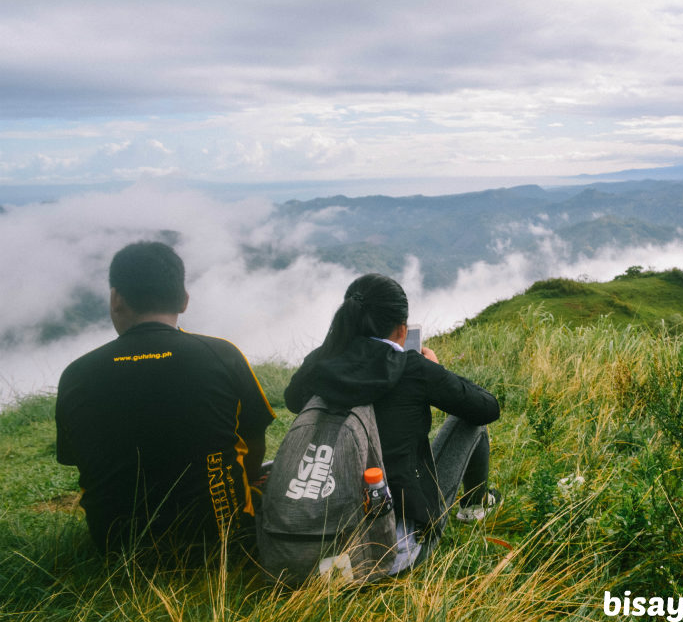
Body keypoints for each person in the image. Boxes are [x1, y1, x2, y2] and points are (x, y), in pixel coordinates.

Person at [56, 241, 275, 558]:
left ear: (115, 298)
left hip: (117, 547)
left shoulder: (77, 374)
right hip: (222, 540)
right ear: (184, 301)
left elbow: (75, 457)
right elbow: (254, 439)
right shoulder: (221, 355)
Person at [283, 273, 500, 574]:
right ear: (402, 328)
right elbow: (487, 408)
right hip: (392, 553)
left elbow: (293, 400)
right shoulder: (412, 368)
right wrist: (437, 372)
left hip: (313, 547)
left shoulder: (319, 364)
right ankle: (476, 504)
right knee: (472, 423)